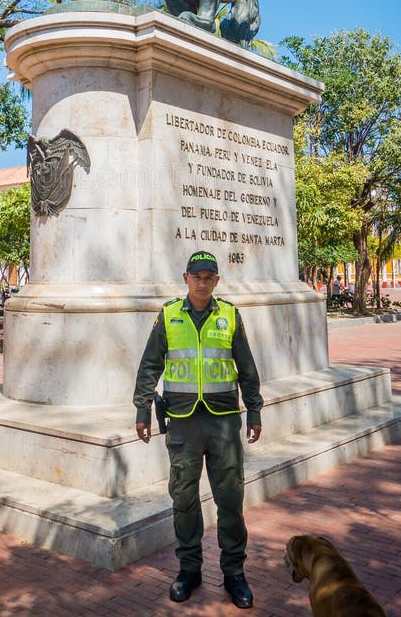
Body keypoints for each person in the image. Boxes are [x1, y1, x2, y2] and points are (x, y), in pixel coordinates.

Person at [133, 250, 263, 608]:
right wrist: (142, 408)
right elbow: (150, 365)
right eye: (196, 276)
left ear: (217, 281)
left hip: (223, 421)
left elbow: (247, 369)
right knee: (185, 499)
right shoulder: (170, 315)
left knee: (230, 501)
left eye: (209, 277)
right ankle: (189, 569)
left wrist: (255, 411)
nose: (202, 283)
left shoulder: (230, 316)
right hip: (184, 423)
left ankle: (234, 573)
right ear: (185, 278)